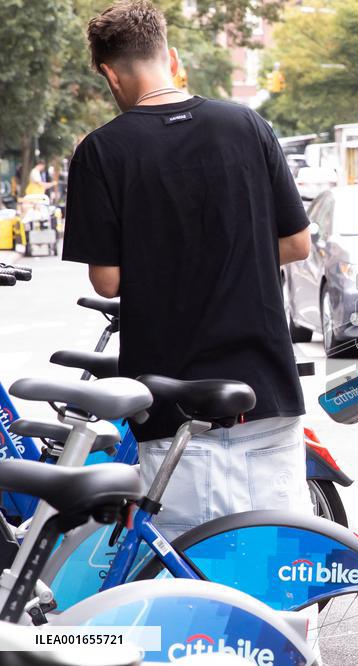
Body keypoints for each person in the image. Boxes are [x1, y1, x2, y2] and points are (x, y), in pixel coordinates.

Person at [62, 1, 312, 540]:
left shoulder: (101, 152)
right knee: (273, 566)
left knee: (186, 575)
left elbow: (107, 281)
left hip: (173, 410)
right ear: (171, 58)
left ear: (109, 74)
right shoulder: (248, 125)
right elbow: (297, 243)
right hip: (266, 393)